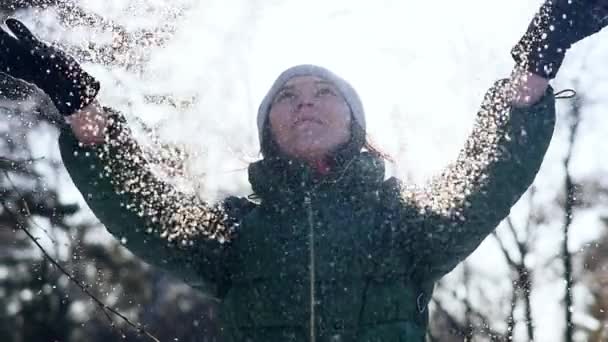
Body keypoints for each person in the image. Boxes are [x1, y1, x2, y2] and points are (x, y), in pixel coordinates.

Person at [1, 1, 606, 340]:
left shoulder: (406, 224)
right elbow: (143, 208)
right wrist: (77, 101)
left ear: (355, 122)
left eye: (324, 92)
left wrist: (535, 60)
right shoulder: (235, 234)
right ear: (268, 132)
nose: (306, 102)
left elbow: (485, 177)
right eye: (288, 96)